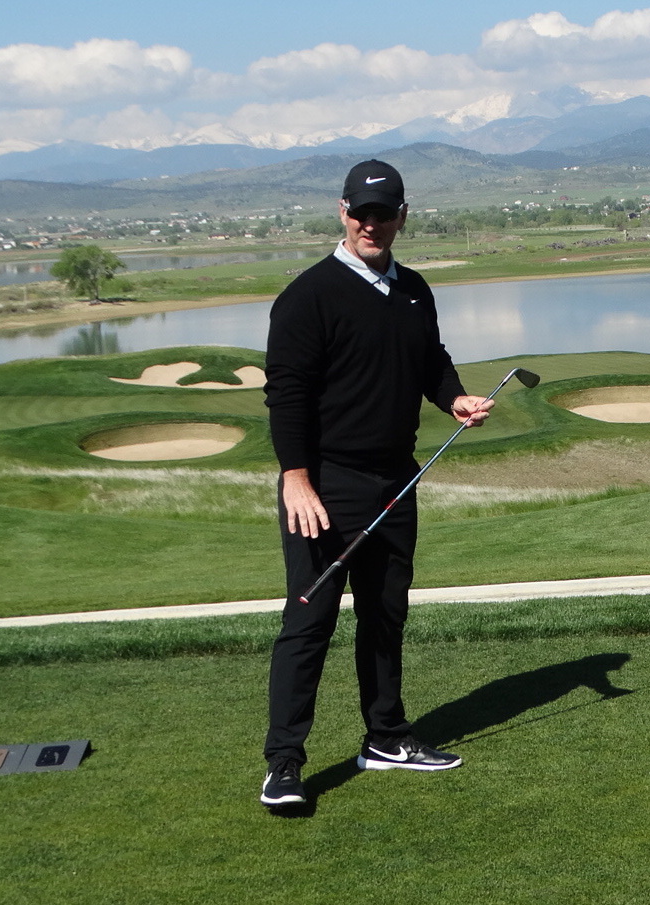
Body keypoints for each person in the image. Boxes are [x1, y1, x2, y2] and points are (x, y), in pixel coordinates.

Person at [259, 159, 494, 807]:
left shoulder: (414, 289)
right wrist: (296, 478)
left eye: (384, 213)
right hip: (325, 487)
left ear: (402, 216)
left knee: (385, 616)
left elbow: (430, 361)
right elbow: (287, 396)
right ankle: (284, 762)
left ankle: (386, 737)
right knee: (308, 621)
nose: (372, 224)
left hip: (395, 480)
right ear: (342, 212)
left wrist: (454, 400)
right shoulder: (309, 296)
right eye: (361, 213)